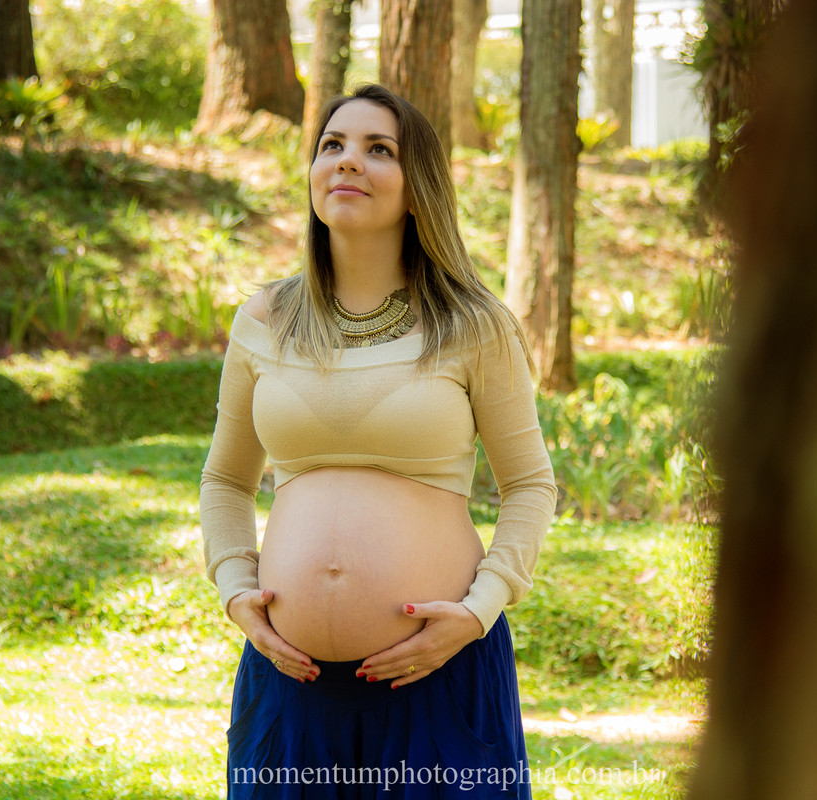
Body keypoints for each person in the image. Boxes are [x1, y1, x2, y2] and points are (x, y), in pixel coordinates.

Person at [199, 83, 557, 800]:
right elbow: (226, 481)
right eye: (332, 145)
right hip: (291, 682)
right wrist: (235, 590)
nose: (347, 161)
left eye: (378, 149)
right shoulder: (264, 319)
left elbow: (529, 485)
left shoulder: (473, 324)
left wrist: (478, 611)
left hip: (438, 675)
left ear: (418, 188)